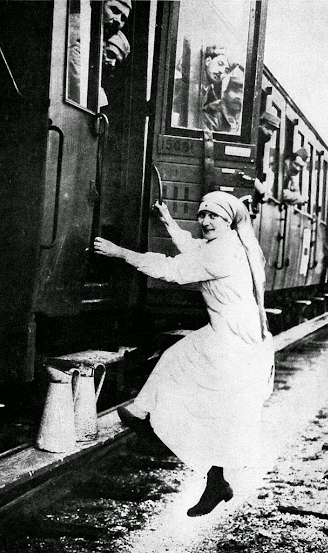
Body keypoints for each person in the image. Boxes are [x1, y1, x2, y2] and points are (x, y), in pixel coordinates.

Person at [94, 192, 275, 517]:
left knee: (203, 398)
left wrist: (120, 253)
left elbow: (173, 270)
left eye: (213, 216)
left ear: (228, 220)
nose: (205, 221)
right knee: (188, 377)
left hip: (235, 339)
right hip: (231, 333)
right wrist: (168, 221)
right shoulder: (225, 243)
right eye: (202, 215)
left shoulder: (223, 252)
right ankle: (209, 476)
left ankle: (151, 424)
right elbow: (191, 248)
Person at [202, 69, 244, 133]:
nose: (238, 96)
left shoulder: (241, 114)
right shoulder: (211, 113)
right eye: (235, 90)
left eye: (242, 92)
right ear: (225, 92)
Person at [253, 111, 281, 203]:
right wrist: (259, 187)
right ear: (259, 125)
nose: (270, 133)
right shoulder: (253, 142)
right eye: (268, 128)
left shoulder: (260, 145)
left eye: (273, 130)